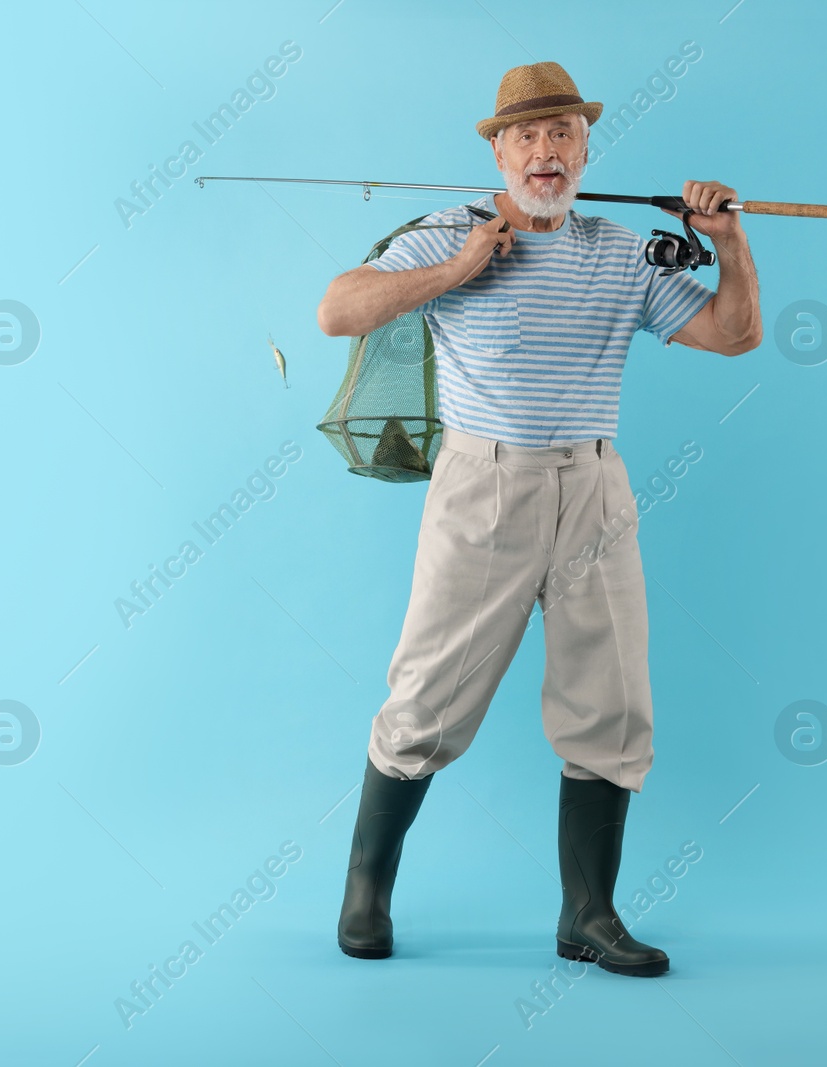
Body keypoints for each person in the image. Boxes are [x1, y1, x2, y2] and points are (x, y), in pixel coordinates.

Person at [314, 60, 761, 976]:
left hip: (595, 488)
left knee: (613, 702)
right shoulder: (448, 231)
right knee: (429, 692)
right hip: (485, 485)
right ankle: (365, 892)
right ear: (497, 149)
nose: (545, 151)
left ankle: (588, 915)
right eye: (526, 135)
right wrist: (458, 267)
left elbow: (733, 333)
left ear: (588, 147)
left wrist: (729, 240)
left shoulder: (624, 247)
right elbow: (337, 310)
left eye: (562, 133)